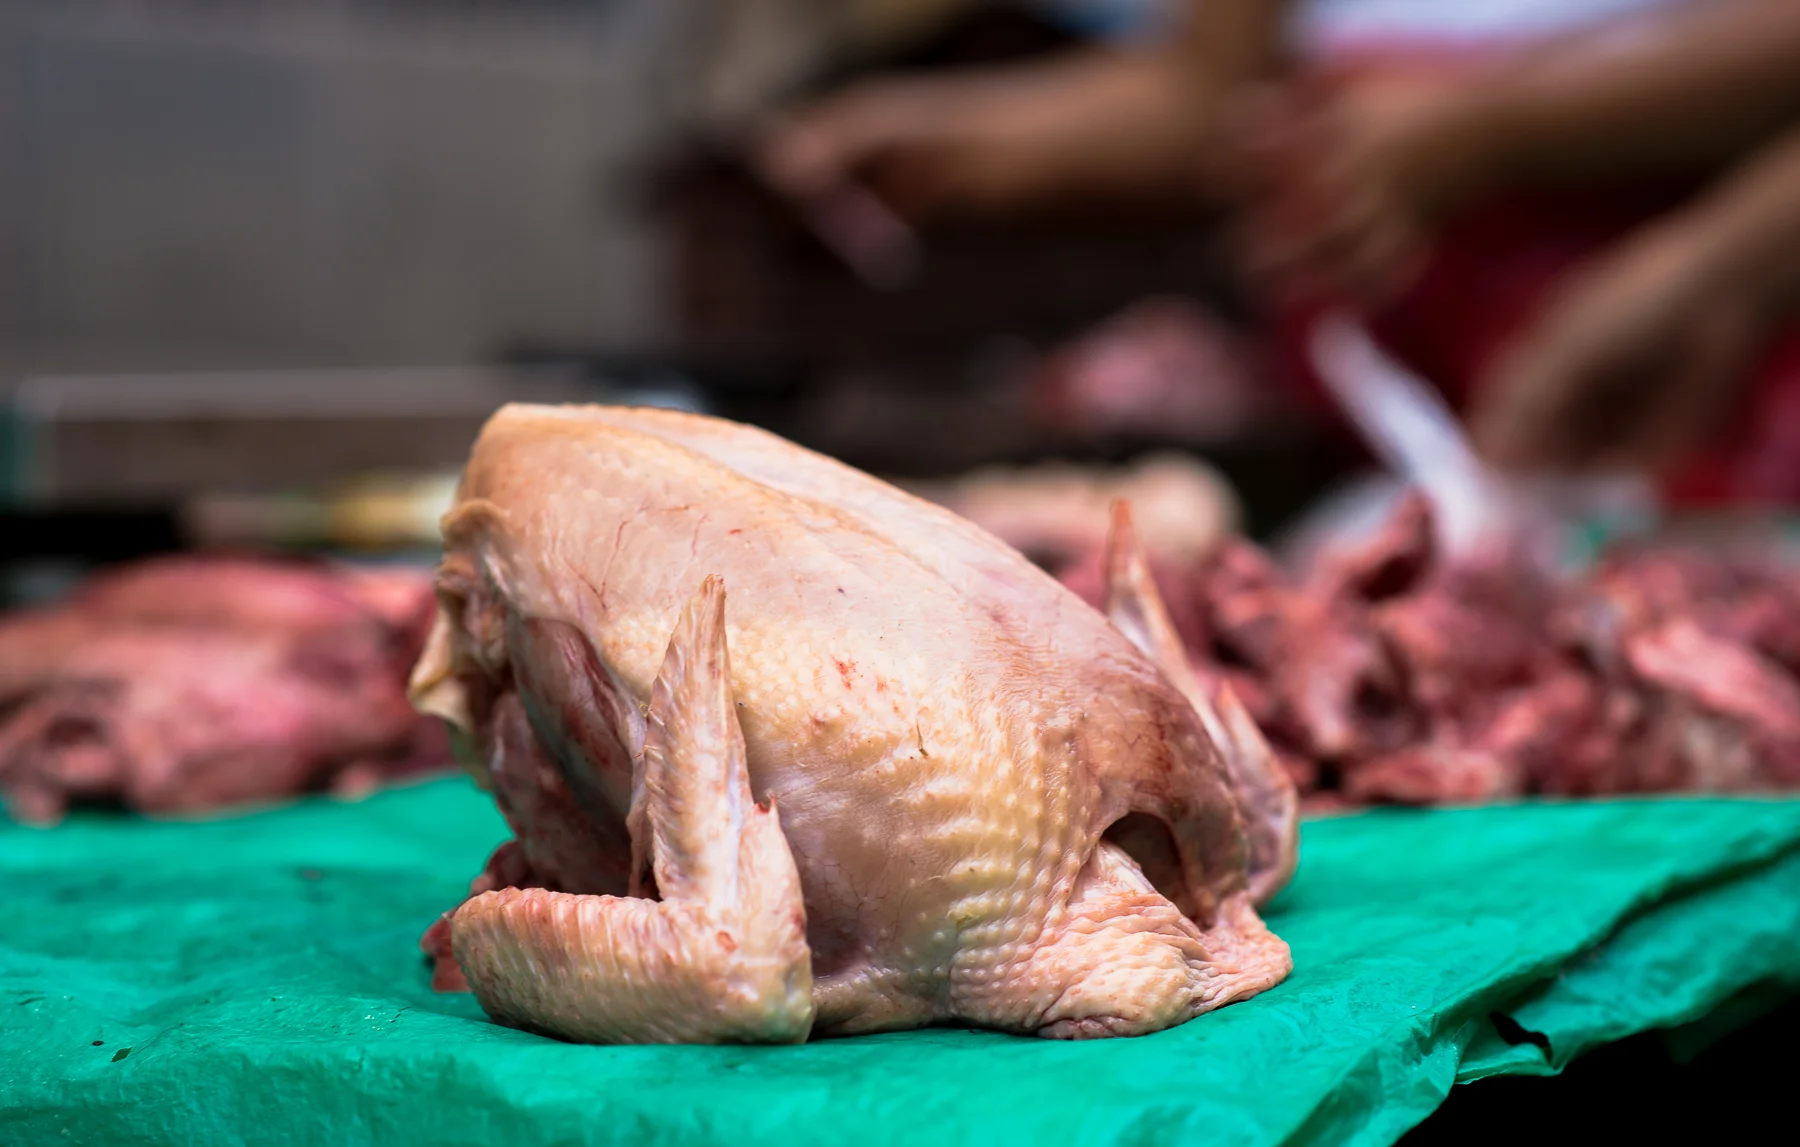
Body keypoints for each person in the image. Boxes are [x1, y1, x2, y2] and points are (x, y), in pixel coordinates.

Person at [758, 0, 1800, 504]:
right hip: (1428, 420)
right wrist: (966, 142)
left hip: (1710, 359)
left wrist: (1500, 129)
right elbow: (1212, 94)